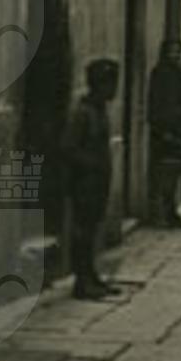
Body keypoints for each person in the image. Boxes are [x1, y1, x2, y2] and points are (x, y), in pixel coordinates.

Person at [64, 57, 122, 300]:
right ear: (98, 84)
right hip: (85, 182)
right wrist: (91, 167)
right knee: (82, 231)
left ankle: (91, 275)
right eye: (109, 84)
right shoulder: (83, 113)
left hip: (97, 181)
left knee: (92, 229)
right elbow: (70, 148)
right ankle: (82, 282)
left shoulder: (99, 110)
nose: (113, 89)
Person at [148, 37, 181, 228]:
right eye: (171, 51)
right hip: (167, 132)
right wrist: (162, 131)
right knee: (168, 176)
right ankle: (169, 213)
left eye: (178, 51)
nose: (175, 55)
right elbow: (153, 104)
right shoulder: (159, 74)